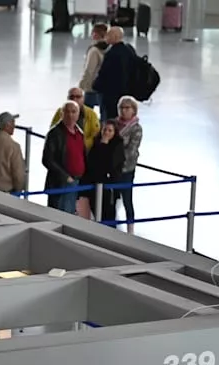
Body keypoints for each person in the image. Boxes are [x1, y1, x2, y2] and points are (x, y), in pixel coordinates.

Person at [43, 101, 86, 213]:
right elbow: (47, 159)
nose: (70, 115)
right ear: (62, 114)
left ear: (78, 114)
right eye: (67, 112)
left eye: (73, 112)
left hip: (76, 182)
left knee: (70, 215)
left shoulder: (79, 133)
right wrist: (65, 177)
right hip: (61, 183)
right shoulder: (55, 133)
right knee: (59, 216)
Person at [80, 120, 125, 221]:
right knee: (96, 213)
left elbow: (110, 164)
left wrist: (104, 145)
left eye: (110, 131)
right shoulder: (96, 144)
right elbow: (91, 163)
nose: (106, 133)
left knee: (108, 215)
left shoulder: (117, 146)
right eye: (105, 130)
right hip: (94, 185)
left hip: (108, 187)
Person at [93, 26, 136, 122]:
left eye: (108, 35)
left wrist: (95, 86)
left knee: (109, 119)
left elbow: (104, 74)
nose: (106, 37)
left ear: (115, 37)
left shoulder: (111, 53)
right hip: (126, 92)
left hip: (111, 95)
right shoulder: (129, 50)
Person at [116, 95, 142, 230]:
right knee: (111, 199)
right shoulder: (114, 124)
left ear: (133, 110)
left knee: (127, 199)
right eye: (121, 108)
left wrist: (115, 158)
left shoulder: (136, 128)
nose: (124, 110)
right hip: (112, 170)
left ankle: (130, 228)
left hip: (126, 169)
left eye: (127, 108)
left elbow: (132, 149)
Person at [79, 23, 109, 110]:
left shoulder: (94, 50)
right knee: (104, 112)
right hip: (104, 86)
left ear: (95, 34)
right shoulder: (110, 48)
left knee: (86, 114)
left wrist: (82, 85)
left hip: (92, 87)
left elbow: (89, 70)